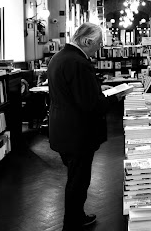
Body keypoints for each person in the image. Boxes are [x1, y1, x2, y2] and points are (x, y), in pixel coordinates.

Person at [48, 23, 119, 231]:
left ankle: (77, 216)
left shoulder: (60, 57)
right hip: (77, 134)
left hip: (63, 129)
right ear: (87, 41)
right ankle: (71, 224)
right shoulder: (79, 63)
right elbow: (91, 106)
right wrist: (115, 97)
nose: (99, 47)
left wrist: (97, 88)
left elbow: (74, 93)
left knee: (75, 178)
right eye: (98, 43)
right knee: (78, 182)